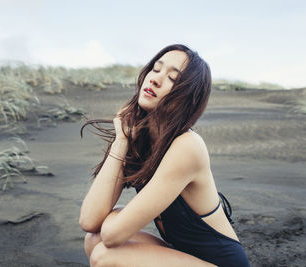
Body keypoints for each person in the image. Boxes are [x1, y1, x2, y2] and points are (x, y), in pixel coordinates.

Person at [79, 44, 250, 267]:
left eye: (172, 78)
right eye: (156, 69)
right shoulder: (140, 137)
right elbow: (89, 221)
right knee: (94, 240)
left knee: (106, 255)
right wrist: (121, 142)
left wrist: (113, 220)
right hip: (183, 257)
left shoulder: (187, 146)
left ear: (187, 97)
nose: (155, 79)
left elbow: (113, 236)